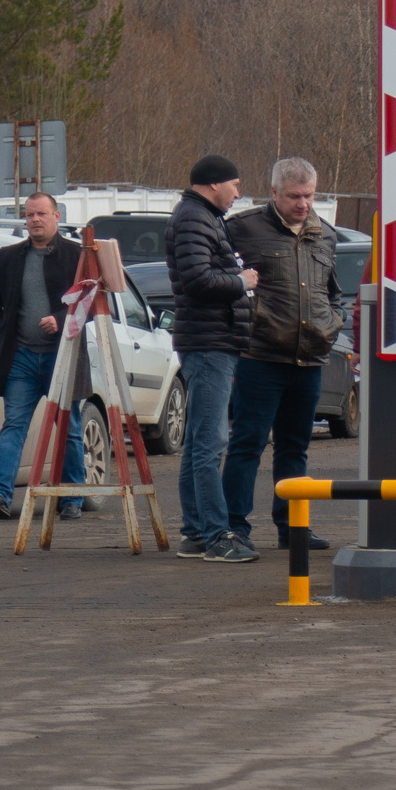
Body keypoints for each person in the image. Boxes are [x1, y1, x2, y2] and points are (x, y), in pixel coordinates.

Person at [222, 158, 348, 552]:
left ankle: (293, 527)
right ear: (274, 193)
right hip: (259, 356)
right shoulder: (242, 229)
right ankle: (235, 527)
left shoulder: (324, 235)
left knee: (295, 447)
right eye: (294, 196)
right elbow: (220, 281)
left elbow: (333, 293)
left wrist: (333, 323)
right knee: (248, 443)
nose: (303, 204)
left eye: (309, 195)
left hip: (309, 359)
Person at [169, 153, 257, 562]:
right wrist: (242, 281)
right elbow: (198, 279)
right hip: (208, 343)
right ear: (213, 184)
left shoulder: (203, 217)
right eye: (234, 184)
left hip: (213, 340)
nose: (238, 193)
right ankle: (218, 536)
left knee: (198, 442)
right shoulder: (193, 218)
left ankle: (196, 532)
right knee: (209, 442)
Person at [0, 192, 87, 519]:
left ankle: (71, 498)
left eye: (41, 214)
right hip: (21, 357)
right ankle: (0, 493)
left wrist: (61, 318)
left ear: (56, 216)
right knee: (13, 425)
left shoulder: (76, 255)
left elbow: (91, 302)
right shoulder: (10, 256)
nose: (35, 220)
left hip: (62, 356)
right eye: (29, 215)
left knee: (68, 427)